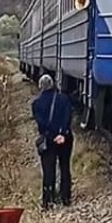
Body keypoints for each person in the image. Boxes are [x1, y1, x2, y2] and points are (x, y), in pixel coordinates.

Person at [31, 73, 74, 209]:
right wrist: (61, 133)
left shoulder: (36, 104)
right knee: (65, 167)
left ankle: (48, 200)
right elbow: (68, 117)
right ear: (53, 84)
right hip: (65, 138)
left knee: (48, 170)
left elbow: (41, 123)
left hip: (48, 140)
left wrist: (52, 134)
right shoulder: (64, 99)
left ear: (40, 87)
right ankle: (65, 197)